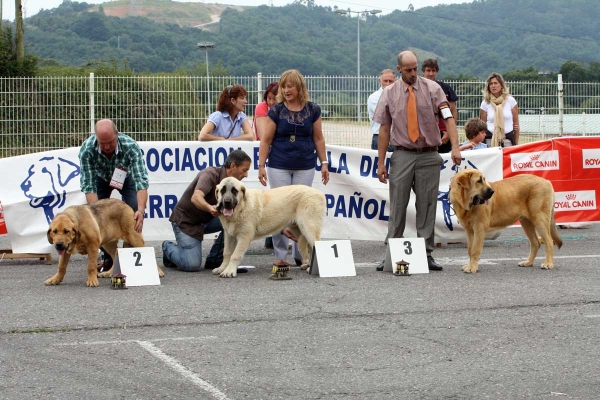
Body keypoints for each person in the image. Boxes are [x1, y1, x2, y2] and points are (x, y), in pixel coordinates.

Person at [373, 50, 462, 272]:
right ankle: (391, 253)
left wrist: (455, 147)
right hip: (402, 153)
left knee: (427, 205)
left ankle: (426, 253)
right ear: (399, 69)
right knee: (398, 205)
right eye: (409, 69)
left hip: (428, 154)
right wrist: (381, 162)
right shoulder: (389, 93)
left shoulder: (433, 89)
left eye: (416, 68)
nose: (414, 73)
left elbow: (449, 118)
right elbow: (384, 129)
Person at [258, 69, 329, 267]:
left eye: (290, 86)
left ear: (299, 87)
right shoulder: (276, 111)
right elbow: (266, 140)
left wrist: (324, 163)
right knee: (278, 211)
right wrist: (261, 165)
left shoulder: (313, 109)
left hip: (305, 164)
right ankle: (280, 255)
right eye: (283, 86)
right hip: (278, 165)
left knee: (302, 212)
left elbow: (318, 138)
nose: (286, 90)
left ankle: (303, 255)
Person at [162, 150, 251, 272]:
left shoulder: (235, 185)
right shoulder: (210, 174)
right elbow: (196, 198)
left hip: (208, 219)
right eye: (244, 170)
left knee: (236, 221)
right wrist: (210, 208)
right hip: (187, 221)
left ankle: (215, 260)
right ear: (233, 166)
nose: (246, 175)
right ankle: (167, 247)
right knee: (191, 265)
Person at [79, 119, 150, 271]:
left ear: (117, 135)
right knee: (98, 220)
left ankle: (132, 251)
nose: (106, 147)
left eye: (110, 142)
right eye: (101, 143)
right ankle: (109, 258)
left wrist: (141, 210)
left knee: (134, 211)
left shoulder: (130, 146)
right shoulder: (87, 150)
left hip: (126, 177)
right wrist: (96, 218)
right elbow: (89, 186)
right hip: (100, 179)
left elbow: (141, 182)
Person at [254, 81, 279, 249]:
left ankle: (276, 233)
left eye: (274, 99)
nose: (270, 102)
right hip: (266, 153)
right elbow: (264, 135)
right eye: (268, 98)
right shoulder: (261, 108)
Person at [421, 58, 458, 154]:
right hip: (424, 133)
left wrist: (449, 132)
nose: (431, 73)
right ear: (423, 72)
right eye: (428, 70)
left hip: (443, 134)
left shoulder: (445, 88)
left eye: (433, 71)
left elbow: (453, 111)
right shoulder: (417, 89)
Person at [480, 72, 520, 147]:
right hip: (490, 141)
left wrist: (516, 144)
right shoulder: (485, 103)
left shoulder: (510, 100)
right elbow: (482, 126)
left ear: (501, 85)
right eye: (491, 84)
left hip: (508, 140)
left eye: (496, 83)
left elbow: (516, 125)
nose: (493, 86)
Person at [367, 69, 396, 152]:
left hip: (396, 138)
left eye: (390, 81)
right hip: (379, 137)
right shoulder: (374, 97)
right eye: (385, 81)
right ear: (380, 81)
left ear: (395, 81)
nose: (388, 84)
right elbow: (386, 114)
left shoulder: (399, 96)